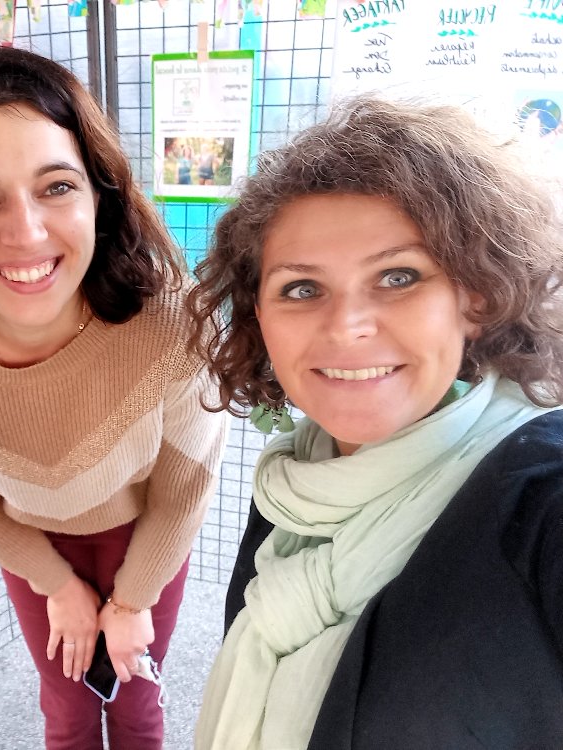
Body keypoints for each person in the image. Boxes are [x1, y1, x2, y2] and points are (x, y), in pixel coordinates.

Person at [0, 46, 226, 750]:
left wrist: (132, 602)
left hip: (148, 534)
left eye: (56, 186)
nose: (26, 232)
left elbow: (184, 486)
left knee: (136, 705)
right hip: (30, 543)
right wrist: (56, 586)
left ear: (99, 196)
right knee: (65, 710)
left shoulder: (173, 324)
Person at [190, 94, 563, 749]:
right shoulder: (294, 490)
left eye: (397, 276)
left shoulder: (541, 498)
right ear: (260, 320)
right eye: (302, 288)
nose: (346, 326)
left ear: (475, 299)